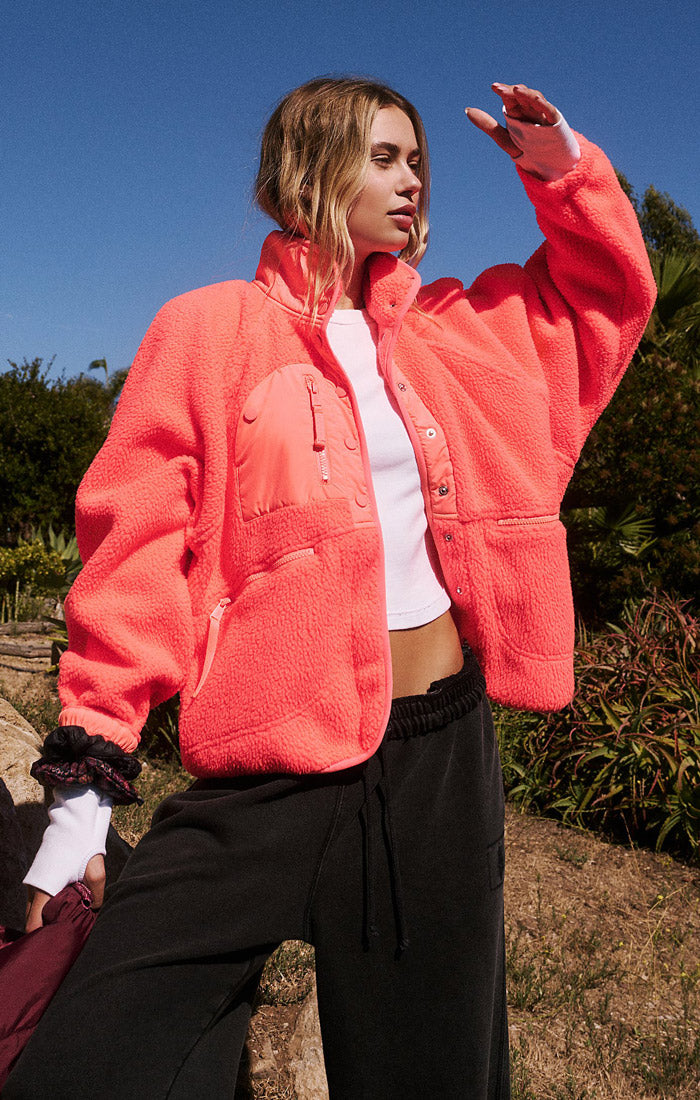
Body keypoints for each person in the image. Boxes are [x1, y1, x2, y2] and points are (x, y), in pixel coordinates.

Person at [6, 77, 655, 1099]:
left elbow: (603, 301)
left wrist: (563, 173)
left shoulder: (456, 331)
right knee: (95, 1061)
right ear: (312, 168)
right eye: (383, 156)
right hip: (263, 771)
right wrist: (83, 799)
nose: (412, 179)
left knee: (431, 1072)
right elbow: (136, 552)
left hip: (438, 761)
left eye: (417, 160)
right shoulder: (207, 330)